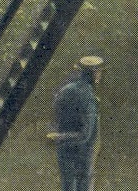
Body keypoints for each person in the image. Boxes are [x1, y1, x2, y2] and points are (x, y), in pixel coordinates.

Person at [48, 55, 103, 191]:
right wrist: (60, 137)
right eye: (99, 72)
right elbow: (86, 135)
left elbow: (56, 116)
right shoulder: (88, 97)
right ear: (94, 74)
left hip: (64, 152)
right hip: (83, 156)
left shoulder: (65, 90)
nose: (100, 76)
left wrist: (59, 137)